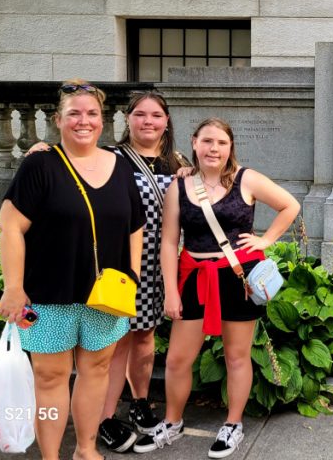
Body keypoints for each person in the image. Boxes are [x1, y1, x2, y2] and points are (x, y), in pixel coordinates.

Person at [26, 91, 190, 452]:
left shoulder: (177, 161)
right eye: (140, 114)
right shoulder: (112, 157)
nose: (149, 121)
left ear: (167, 121)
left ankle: (140, 402)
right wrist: (43, 149)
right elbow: (72, 162)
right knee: (114, 346)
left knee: (145, 338)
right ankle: (103, 419)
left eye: (157, 115)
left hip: (157, 264)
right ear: (127, 119)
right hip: (114, 266)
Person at [133, 118, 300, 459]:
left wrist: (265, 239)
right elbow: (168, 243)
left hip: (238, 276)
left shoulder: (247, 179)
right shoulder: (179, 187)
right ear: (194, 143)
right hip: (195, 276)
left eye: (221, 142)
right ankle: (173, 421)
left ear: (230, 146)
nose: (214, 148)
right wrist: (171, 291)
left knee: (237, 356)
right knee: (179, 359)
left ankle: (233, 424)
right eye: (207, 141)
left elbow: (290, 205)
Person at [0, 80, 144, 460]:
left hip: (106, 296)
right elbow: (10, 226)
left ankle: (86, 449)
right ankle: (51, 457)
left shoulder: (122, 166)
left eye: (92, 113)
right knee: (50, 376)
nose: (84, 121)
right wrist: (13, 288)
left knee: (96, 370)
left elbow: (135, 226)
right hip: (47, 294)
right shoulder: (40, 164)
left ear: (102, 120)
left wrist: (134, 276)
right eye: (74, 113)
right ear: (58, 119)